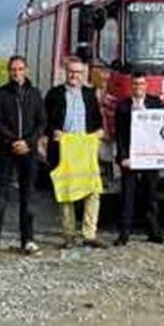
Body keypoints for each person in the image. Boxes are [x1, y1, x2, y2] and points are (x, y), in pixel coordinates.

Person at [0, 55, 46, 260]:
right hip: (6, 152)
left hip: (29, 153)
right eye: (13, 69)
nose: (17, 73)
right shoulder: (0, 94)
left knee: (28, 197)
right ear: (8, 71)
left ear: (26, 70)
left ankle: (28, 239)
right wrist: (13, 142)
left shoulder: (35, 94)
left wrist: (28, 142)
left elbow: (41, 123)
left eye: (20, 69)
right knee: (1, 196)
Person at [45, 56, 106, 249]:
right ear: (65, 72)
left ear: (83, 74)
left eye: (78, 72)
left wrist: (99, 131)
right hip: (65, 150)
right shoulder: (54, 94)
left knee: (93, 192)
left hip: (85, 150)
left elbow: (97, 120)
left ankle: (89, 233)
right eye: (71, 72)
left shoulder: (89, 95)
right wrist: (52, 132)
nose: (75, 76)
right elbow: (44, 120)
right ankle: (69, 236)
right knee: (66, 192)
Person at [114, 71, 164, 246]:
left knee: (151, 195)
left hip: (150, 157)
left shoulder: (156, 104)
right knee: (128, 196)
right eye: (135, 84)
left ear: (146, 86)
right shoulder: (123, 106)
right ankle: (124, 234)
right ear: (131, 86)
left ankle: (154, 232)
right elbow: (119, 135)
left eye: (141, 84)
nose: (138, 88)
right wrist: (122, 157)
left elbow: (162, 131)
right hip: (130, 157)